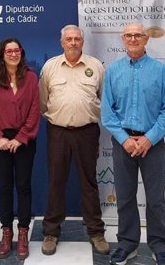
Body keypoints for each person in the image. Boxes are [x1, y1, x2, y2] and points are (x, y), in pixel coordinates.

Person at [101, 23, 165, 265]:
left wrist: (148, 138)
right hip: (122, 143)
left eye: (138, 35)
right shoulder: (113, 71)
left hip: (151, 143)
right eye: (128, 35)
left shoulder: (160, 71)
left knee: (155, 199)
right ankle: (127, 243)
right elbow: (107, 113)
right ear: (123, 39)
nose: (133, 39)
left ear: (146, 39)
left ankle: (159, 245)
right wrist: (125, 139)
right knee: (124, 196)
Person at [39, 24, 110, 256]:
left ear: (82, 41)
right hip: (57, 132)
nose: (73, 43)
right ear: (61, 43)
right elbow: (42, 101)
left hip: (87, 132)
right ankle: (51, 232)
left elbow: (103, 98)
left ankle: (96, 232)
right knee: (56, 182)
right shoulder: (50, 67)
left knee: (89, 183)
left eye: (77, 39)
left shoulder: (96, 66)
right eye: (68, 39)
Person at [0, 37, 40, 259]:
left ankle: (23, 233)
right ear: (2, 54)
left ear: (21, 53)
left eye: (17, 50)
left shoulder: (31, 78)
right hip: (0, 141)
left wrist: (21, 137)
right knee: (5, 187)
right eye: (9, 51)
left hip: (24, 140)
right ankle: (7, 233)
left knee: (24, 186)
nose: (13, 54)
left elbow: (35, 110)